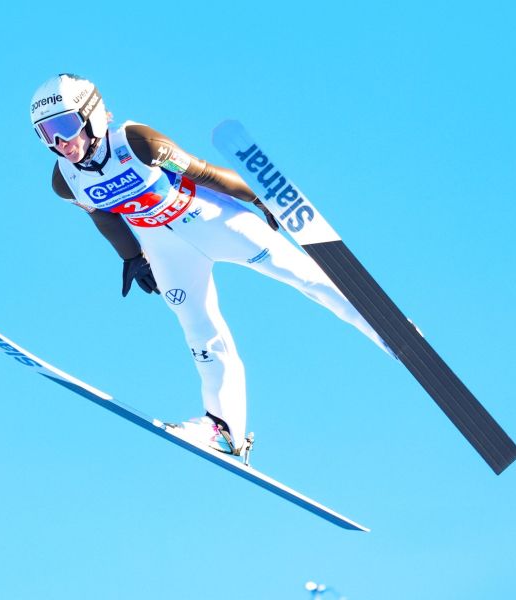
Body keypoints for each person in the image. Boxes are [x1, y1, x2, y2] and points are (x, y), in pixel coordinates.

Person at [30, 73, 390, 458]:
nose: (60, 142)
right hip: (166, 249)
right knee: (200, 331)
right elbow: (102, 215)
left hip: (213, 220)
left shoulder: (137, 142)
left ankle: (387, 327)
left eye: (65, 126)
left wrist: (258, 197)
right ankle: (224, 430)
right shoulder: (66, 180)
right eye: (46, 133)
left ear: (92, 115)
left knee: (302, 275)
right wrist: (132, 257)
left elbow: (204, 173)